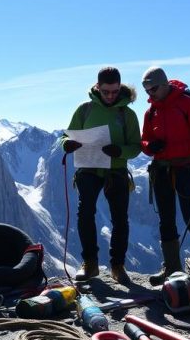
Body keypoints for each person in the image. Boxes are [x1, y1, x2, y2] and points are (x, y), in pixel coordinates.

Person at [60, 67, 141, 284]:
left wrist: (120, 151)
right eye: (106, 92)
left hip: (116, 170)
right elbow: (66, 137)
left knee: (120, 218)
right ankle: (90, 264)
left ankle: (118, 265)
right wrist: (67, 144)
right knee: (85, 214)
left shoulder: (127, 114)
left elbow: (136, 147)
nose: (111, 96)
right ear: (97, 87)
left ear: (119, 87)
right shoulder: (84, 110)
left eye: (115, 91)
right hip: (89, 169)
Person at [140, 66, 190, 285]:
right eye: (146, 90)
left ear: (164, 85)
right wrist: (150, 146)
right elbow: (144, 141)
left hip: (185, 168)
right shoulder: (151, 111)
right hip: (161, 168)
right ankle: (172, 268)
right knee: (166, 219)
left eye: (153, 89)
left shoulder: (187, 104)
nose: (149, 94)